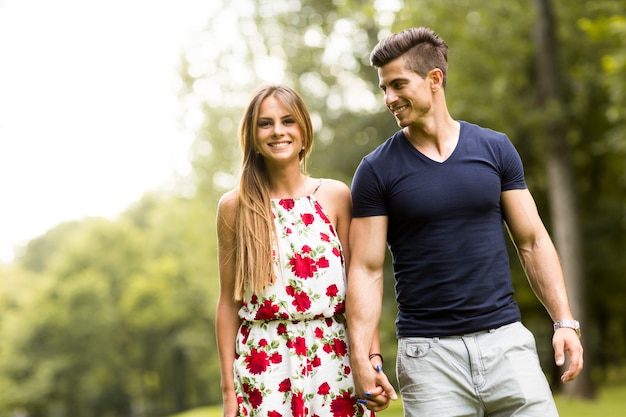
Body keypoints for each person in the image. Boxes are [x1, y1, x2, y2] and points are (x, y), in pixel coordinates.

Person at [345, 27, 584, 416]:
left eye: (398, 84)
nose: (389, 98)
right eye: (383, 88)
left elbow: (533, 242)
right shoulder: (376, 170)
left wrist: (565, 322)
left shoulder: (495, 149)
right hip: (429, 359)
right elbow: (367, 269)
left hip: (506, 345)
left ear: (434, 79)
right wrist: (362, 356)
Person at [216, 84, 377, 417]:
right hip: (265, 367)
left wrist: (371, 359)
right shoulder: (235, 207)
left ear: (304, 131)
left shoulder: (335, 196)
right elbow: (229, 302)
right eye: (266, 123)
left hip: (333, 359)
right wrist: (229, 390)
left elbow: (360, 287)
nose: (278, 131)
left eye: (287, 121)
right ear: (253, 136)